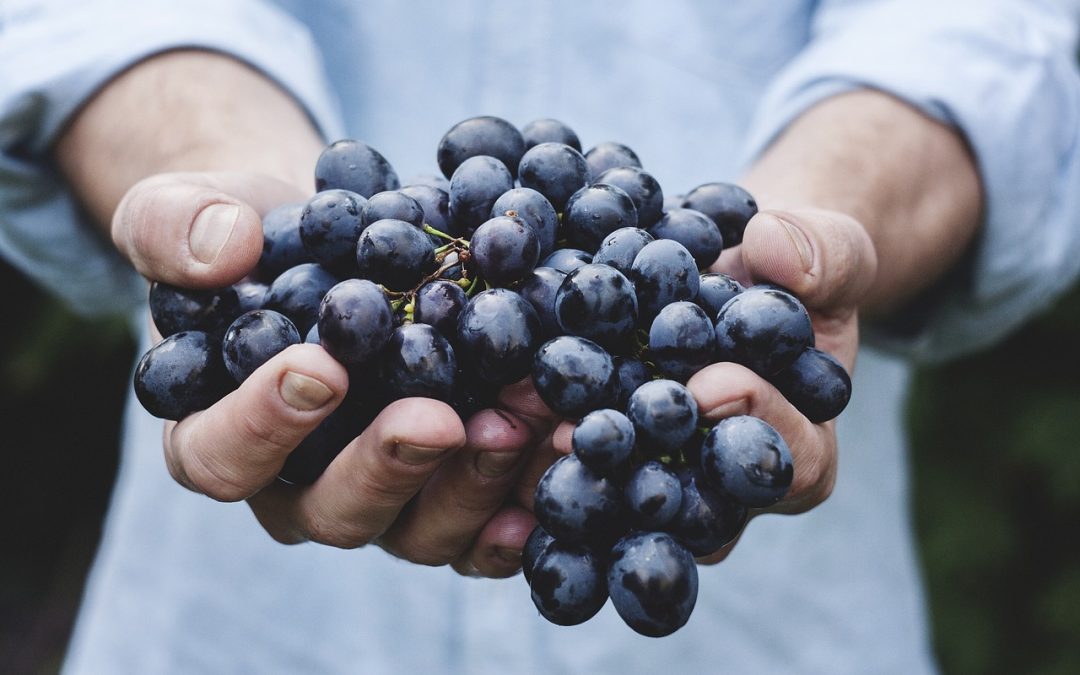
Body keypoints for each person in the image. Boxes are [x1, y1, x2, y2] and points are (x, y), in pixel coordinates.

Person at [2, 0, 1079, 672]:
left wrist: (818, 216)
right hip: (239, 629)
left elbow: (990, 27)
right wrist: (218, 182)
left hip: (775, 629)